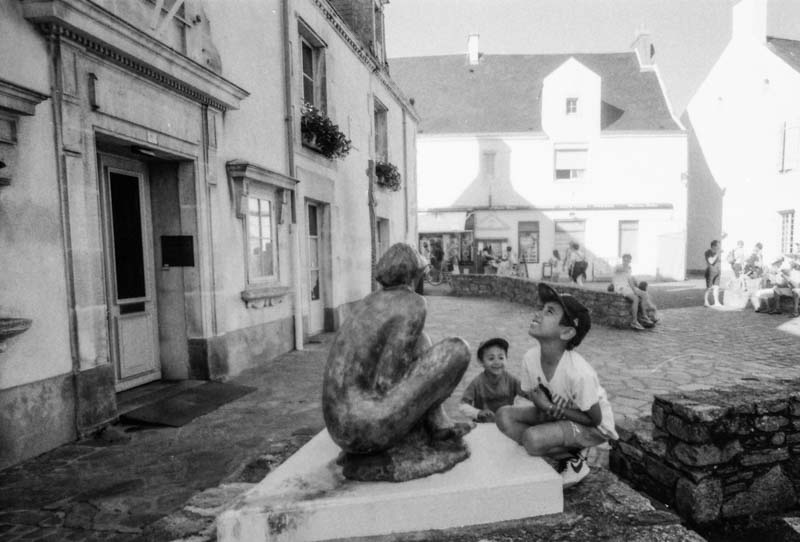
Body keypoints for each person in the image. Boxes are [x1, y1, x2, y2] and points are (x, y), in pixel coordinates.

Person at [496, 284, 618, 488]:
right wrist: (542, 406)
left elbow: (594, 419)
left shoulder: (578, 372)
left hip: (594, 427)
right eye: (542, 308)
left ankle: (574, 460)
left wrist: (549, 407)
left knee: (532, 439)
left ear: (567, 332)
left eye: (549, 312)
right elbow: (533, 396)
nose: (538, 314)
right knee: (503, 415)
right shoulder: (530, 358)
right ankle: (563, 450)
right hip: (558, 414)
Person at [459, 338, 522, 423]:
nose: (497, 362)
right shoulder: (477, 382)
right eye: (491, 358)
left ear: (506, 358)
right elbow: (463, 405)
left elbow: (528, 393)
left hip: (506, 423)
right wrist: (478, 413)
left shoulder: (511, 380)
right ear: (481, 362)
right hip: (483, 424)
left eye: (501, 358)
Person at [612, 254, 657, 330]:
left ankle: (644, 316)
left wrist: (635, 289)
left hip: (628, 286)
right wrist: (634, 291)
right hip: (620, 287)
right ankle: (634, 321)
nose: (626, 261)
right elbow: (620, 269)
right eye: (625, 260)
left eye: (628, 260)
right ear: (622, 260)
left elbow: (630, 280)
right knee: (636, 299)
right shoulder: (618, 267)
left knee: (644, 294)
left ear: (630, 261)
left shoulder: (629, 269)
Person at [704, 240, 722, 307]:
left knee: (716, 287)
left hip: (717, 272)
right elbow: (711, 261)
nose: (719, 247)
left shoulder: (717, 253)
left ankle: (716, 302)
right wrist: (717, 254)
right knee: (709, 288)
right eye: (718, 246)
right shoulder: (708, 252)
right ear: (713, 246)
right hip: (710, 272)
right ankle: (706, 302)